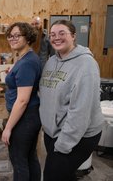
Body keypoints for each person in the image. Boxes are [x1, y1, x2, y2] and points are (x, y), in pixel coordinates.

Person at [39, 19, 104, 181]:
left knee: (52, 176)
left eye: (62, 33)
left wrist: (64, 144)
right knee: (64, 175)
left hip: (79, 135)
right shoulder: (52, 61)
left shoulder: (86, 65)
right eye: (53, 35)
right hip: (53, 132)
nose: (57, 38)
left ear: (73, 36)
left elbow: (81, 111)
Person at [1, 22, 42, 181]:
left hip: (24, 118)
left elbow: (23, 100)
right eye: (10, 36)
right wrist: (13, 72)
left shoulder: (27, 62)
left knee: (19, 162)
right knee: (30, 158)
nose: (13, 38)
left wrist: (8, 128)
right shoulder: (26, 58)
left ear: (28, 37)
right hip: (30, 116)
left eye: (17, 35)